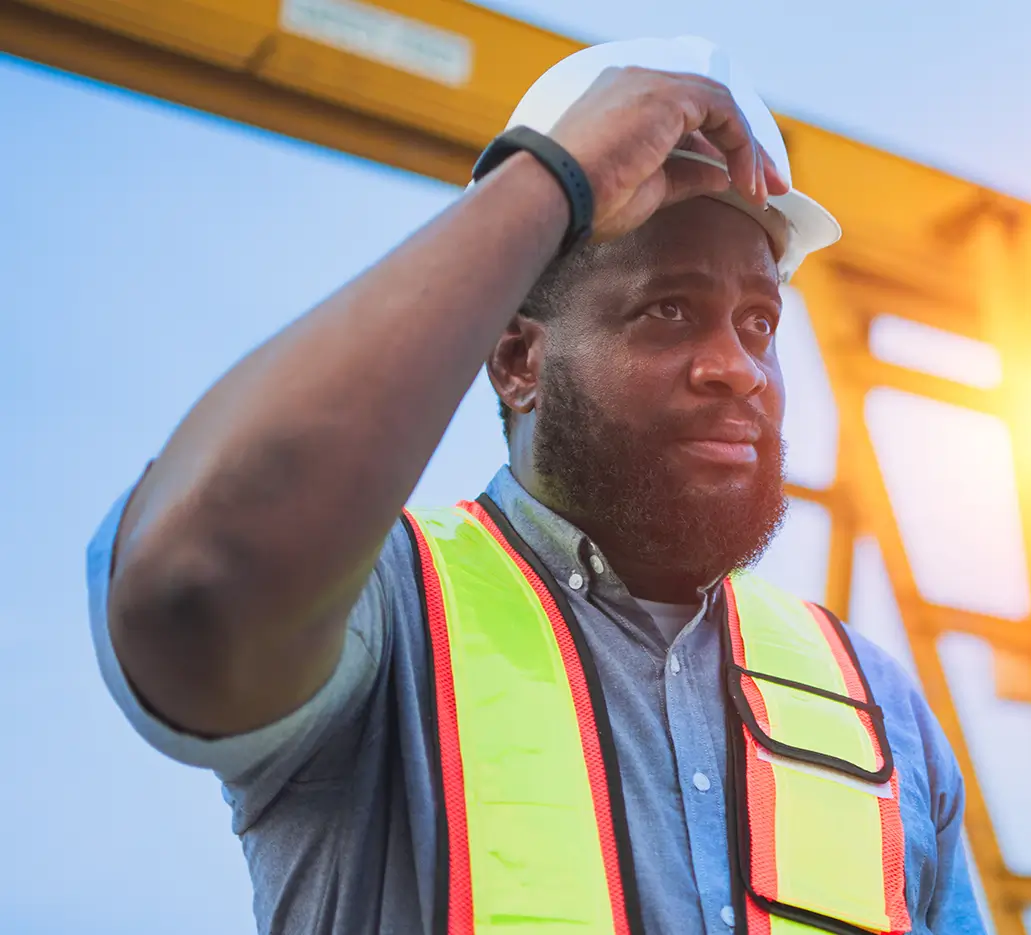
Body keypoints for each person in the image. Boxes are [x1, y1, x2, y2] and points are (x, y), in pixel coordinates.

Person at [85, 36, 985, 935]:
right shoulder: (386, 615)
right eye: (667, 308)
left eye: (759, 320)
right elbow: (194, 581)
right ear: (518, 359)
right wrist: (555, 180)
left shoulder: (880, 706)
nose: (738, 367)